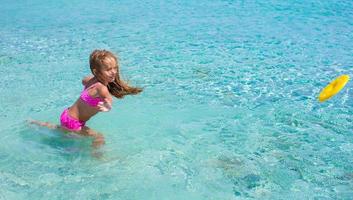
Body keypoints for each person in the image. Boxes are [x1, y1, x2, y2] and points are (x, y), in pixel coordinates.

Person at [30, 49, 143, 148]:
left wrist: (96, 77)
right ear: (96, 71)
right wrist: (107, 106)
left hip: (66, 114)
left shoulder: (92, 80)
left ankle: (36, 123)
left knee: (61, 129)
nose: (113, 72)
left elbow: (83, 80)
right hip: (74, 123)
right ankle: (97, 161)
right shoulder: (101, 88)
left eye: (115, 68)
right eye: (108, 69)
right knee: (98, 137)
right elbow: (108, 99)